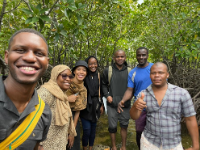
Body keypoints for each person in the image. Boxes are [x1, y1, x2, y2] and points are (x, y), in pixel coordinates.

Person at [0, 28, 52, 150]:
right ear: (6, 57)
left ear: (47, 63)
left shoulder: (44, 112)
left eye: (39, 53)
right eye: (20, 50)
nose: (30, 58)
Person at [130, 62, 199, 150]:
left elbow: (190, 119)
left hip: (174, 144)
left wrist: (196, 145)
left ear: (167, 75)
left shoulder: (182, 93)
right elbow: (134, 117)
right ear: (150, 75)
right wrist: (135, 106)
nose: (157, 75)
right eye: (153, 73)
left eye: (161, 73)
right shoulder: (143, 94)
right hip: (149, 142)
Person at [118, 47, 153, 149]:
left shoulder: (154, 68)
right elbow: (130, 90)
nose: (141, 57)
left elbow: (164, 85)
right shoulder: (133, 72)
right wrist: (123, 101)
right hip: (140, 106)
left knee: (156, 131)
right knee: (139, 131)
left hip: (156, 106)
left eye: (143, 55)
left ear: (147, 55)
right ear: (136, 56)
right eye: (139, 55)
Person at [37, 65, 77, 150]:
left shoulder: (61, 94)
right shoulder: (46, 92)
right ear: (55, 75)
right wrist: (38, 144)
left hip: (58, 144)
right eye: (64, 75)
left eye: (70, 76)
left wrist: (70, 133)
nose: (68, 79)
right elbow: (33, 119)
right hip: (46, 145)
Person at [102, 50, 131, 150]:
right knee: (112, 127)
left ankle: (123, 146)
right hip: (112, 104)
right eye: (118, 57)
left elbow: (132, 87)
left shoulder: (130, 71)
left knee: (124, 126)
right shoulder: (108, 70)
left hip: (125, 105)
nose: (120, 58)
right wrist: (107, 95)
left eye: (122, 56)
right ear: (114, 58)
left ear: (125, 57)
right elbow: (103, 85)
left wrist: (128, 99)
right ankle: (114, 147)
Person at [80, 56, 104, 150]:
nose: (93, 65)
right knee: (86, 130)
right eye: (90, 64)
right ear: (87, 65)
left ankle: (91, 147)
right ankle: (84, 147)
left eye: (95, 63)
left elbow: (101, 91)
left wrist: (102, 105)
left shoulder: (98, 75)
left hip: (96, 105)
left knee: (93, 130)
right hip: (85, 105)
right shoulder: (84, 75)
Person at [66, 60, 88, 150]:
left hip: (73, 118)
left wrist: (72, 132)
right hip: (60, 117)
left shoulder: (83, 89)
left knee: (73, 145)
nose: (81, 72)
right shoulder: (66, 83)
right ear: (74, 71)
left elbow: (77, 111)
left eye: (84, 70)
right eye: (79, 69)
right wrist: (67, 99)